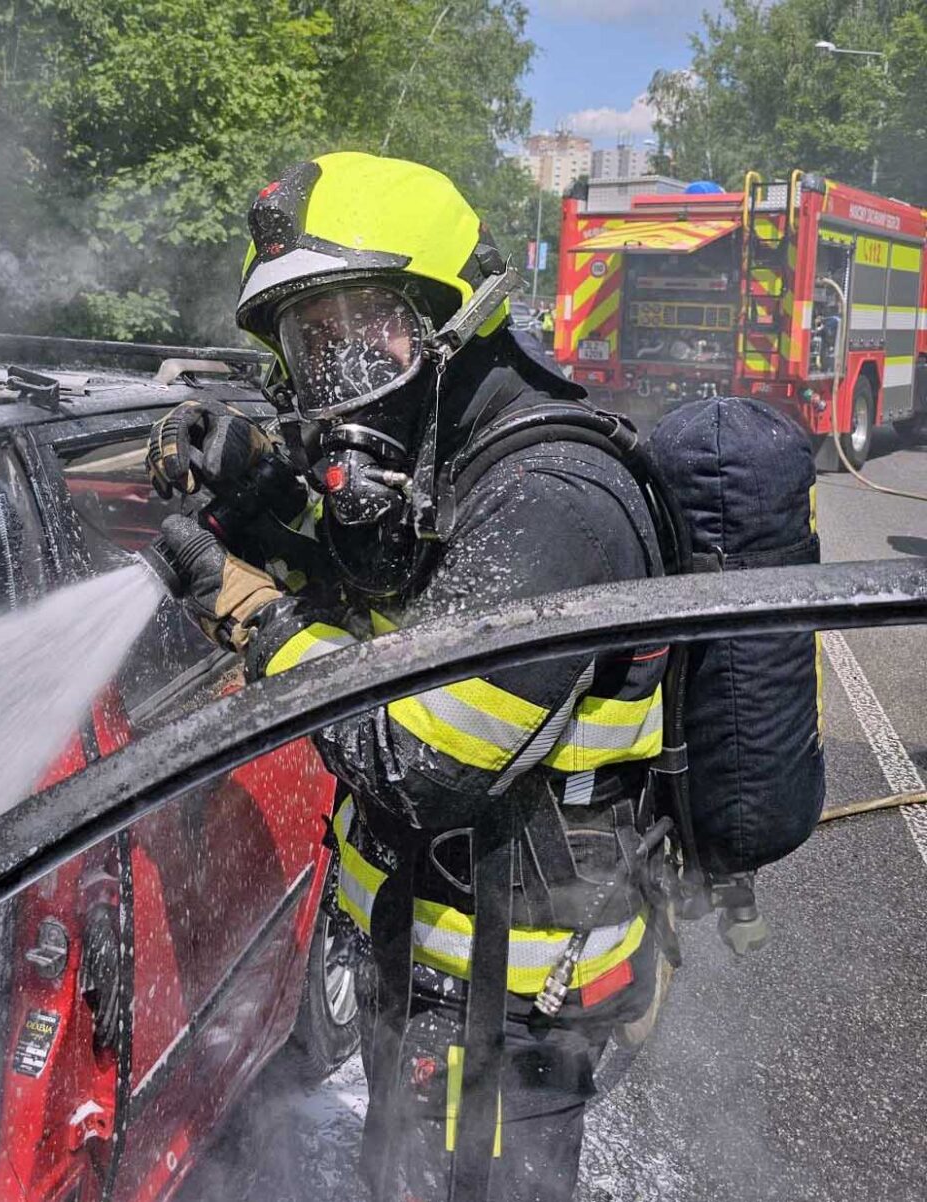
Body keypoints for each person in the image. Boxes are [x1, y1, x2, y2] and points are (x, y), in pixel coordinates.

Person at [146, 151, 671, 1202]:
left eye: (359, 330)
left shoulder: (550, 500)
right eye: (311, 343)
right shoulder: (461, 463)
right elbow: (390, 590)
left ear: (451, 320)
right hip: (432, 964)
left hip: (508, 1007)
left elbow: (413, 752)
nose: (332, 374)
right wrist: (255, 493)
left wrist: (247, 610)